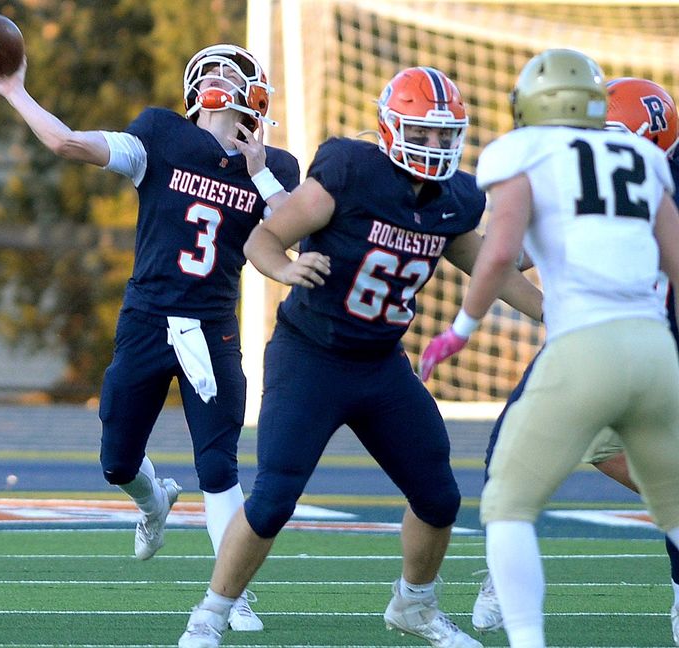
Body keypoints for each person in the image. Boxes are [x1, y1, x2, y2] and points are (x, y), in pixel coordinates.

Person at [177, 65, 543, 648]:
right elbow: (262, 238)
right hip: (311, 356)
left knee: (438, 495)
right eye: (421, 133)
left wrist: (557, 311)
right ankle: (211, 614)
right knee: (272, 499)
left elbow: (493, 266)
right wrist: (286, 269)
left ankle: (414, 606)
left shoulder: (454, 200)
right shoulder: (351, 171)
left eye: (443, 136)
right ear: (392, 128)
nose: (434, 146)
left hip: (379, 363)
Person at [0, 43, 300, 631]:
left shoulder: (277, 166)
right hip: (149, 318)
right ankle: (153, 501)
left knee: (220, 467)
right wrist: (14, 91)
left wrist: (261, 175)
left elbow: (294, 241)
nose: (233, 78)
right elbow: (68, 143)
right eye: (224, 70)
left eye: (242, 71)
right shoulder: (161, 135)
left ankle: (232, 590)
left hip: (213, 328)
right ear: (200, 85)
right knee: (117, 460)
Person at [419, 49, 679, 648]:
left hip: (590, 341)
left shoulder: (534, 156)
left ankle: (523, 630)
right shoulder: (646, 165)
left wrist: (460, 328)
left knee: (507, 497)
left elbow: (501, 254)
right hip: (652, 347)